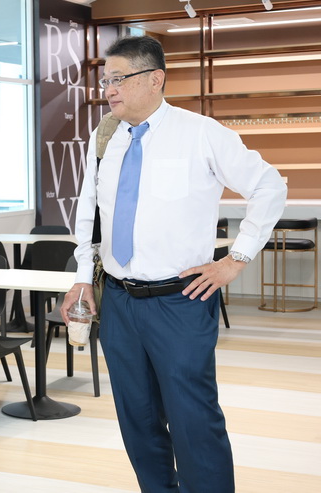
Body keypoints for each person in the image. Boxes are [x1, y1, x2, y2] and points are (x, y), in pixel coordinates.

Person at [61, 35, 286, 492]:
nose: (109, 90)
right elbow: (90, 212)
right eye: (105, 81)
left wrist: (235, 259)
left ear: (155, 79)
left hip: (180, 301)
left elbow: (270, 186)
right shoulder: (104, 138)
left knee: (193, 421)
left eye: (119, 79)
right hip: (119, 301)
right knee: (137, 420)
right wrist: (83, 279)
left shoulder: (201, 133)